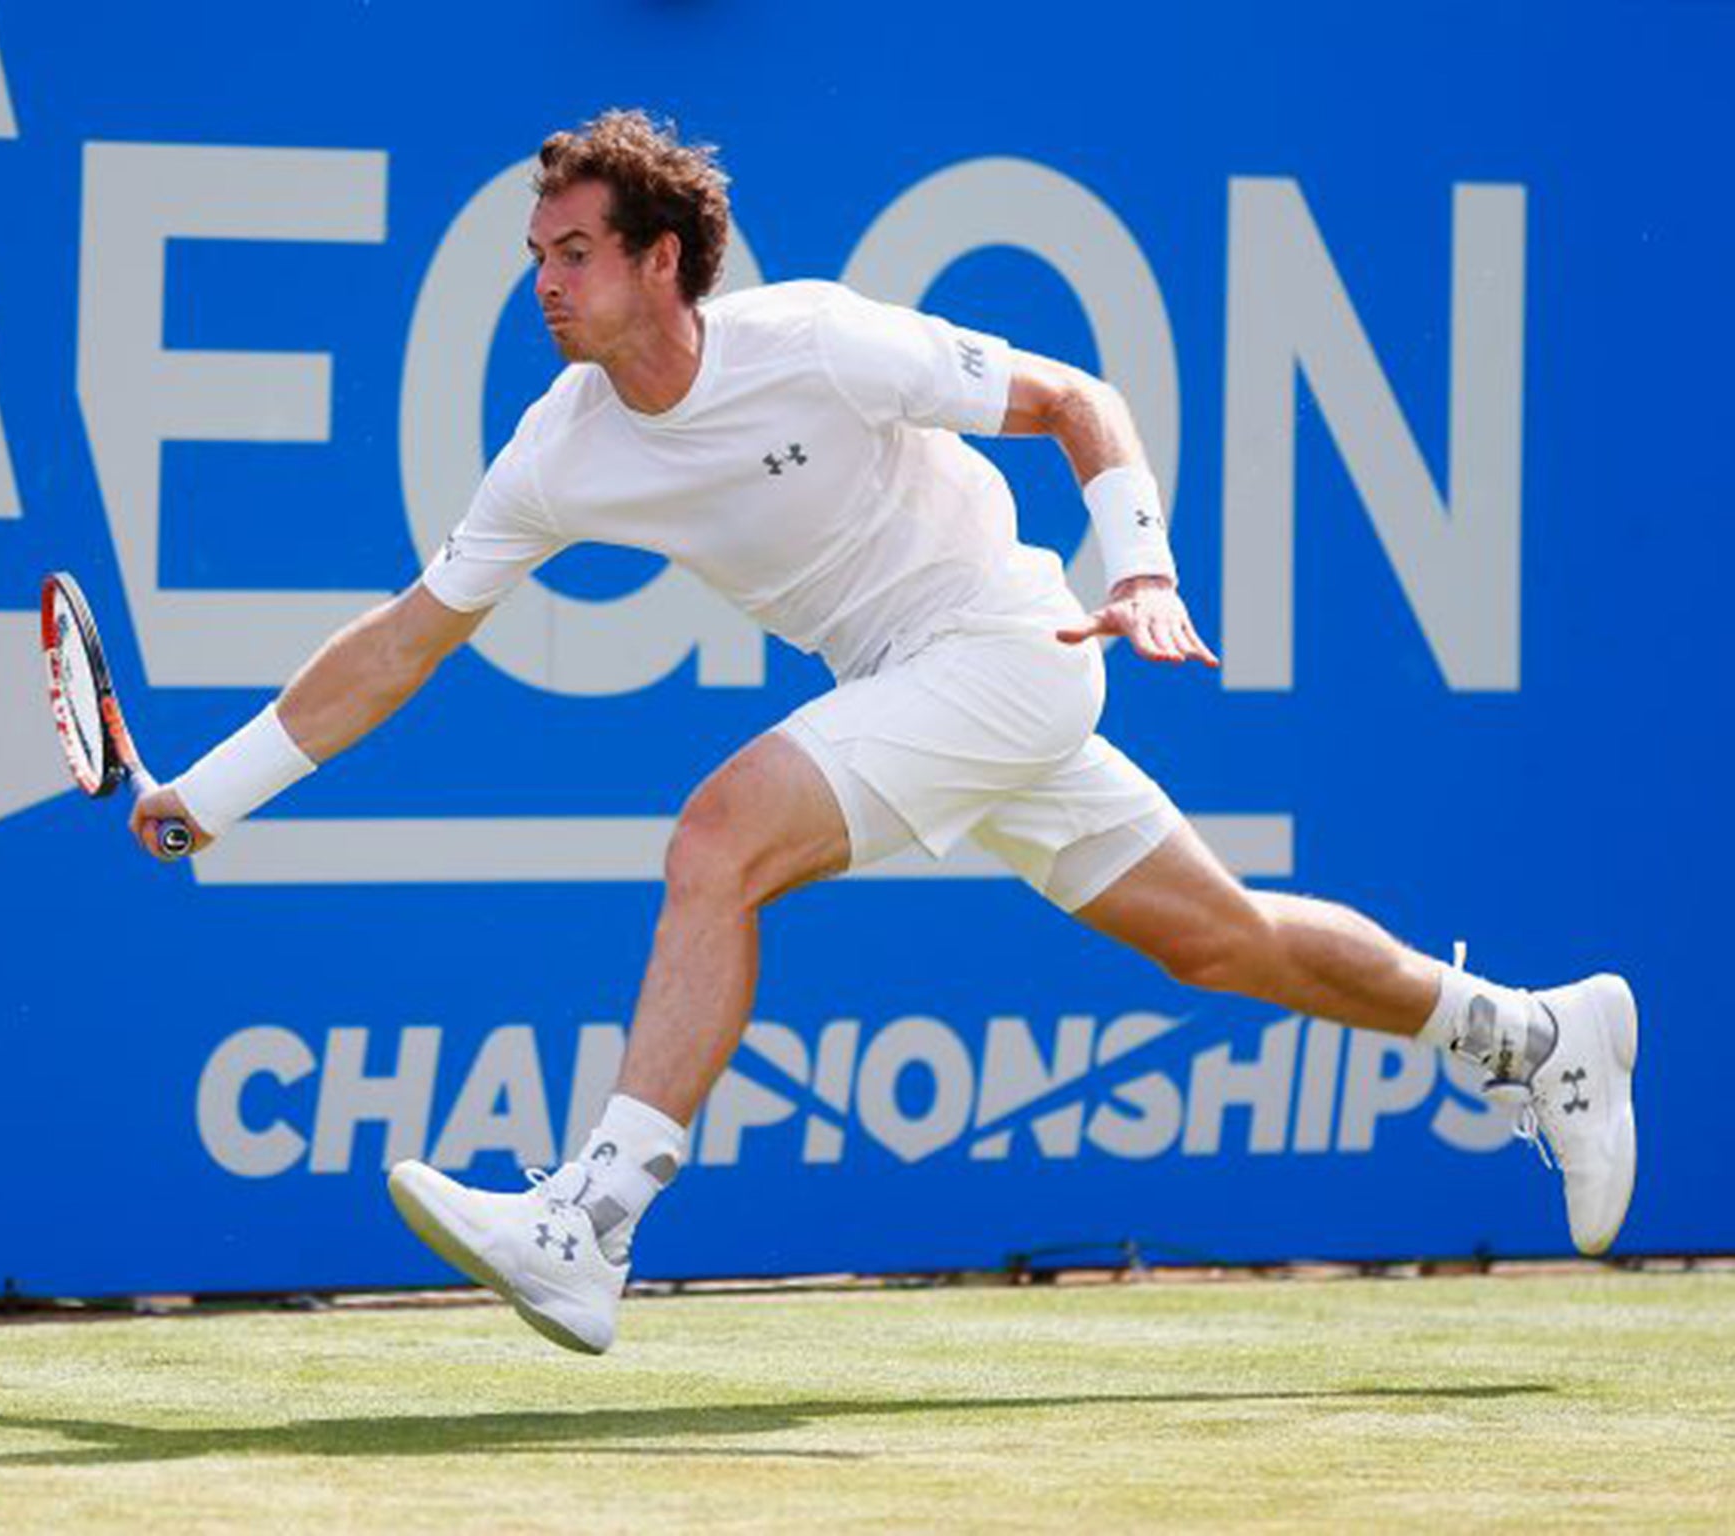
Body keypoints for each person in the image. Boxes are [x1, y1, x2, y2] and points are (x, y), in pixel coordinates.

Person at [131, 109, 1637, 1355]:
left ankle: (591, 1222)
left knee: (717, 837)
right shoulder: (558, 451)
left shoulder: (820, 341)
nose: (547, 283)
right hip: (919, 688)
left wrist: (1143, 564)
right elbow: (403, 642)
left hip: (1004, 642)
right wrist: (212, 793)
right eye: (538, 257)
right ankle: (1535, 1034)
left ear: (664, 263)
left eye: (576, 253)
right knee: (1223, 939)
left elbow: (1075, 399)